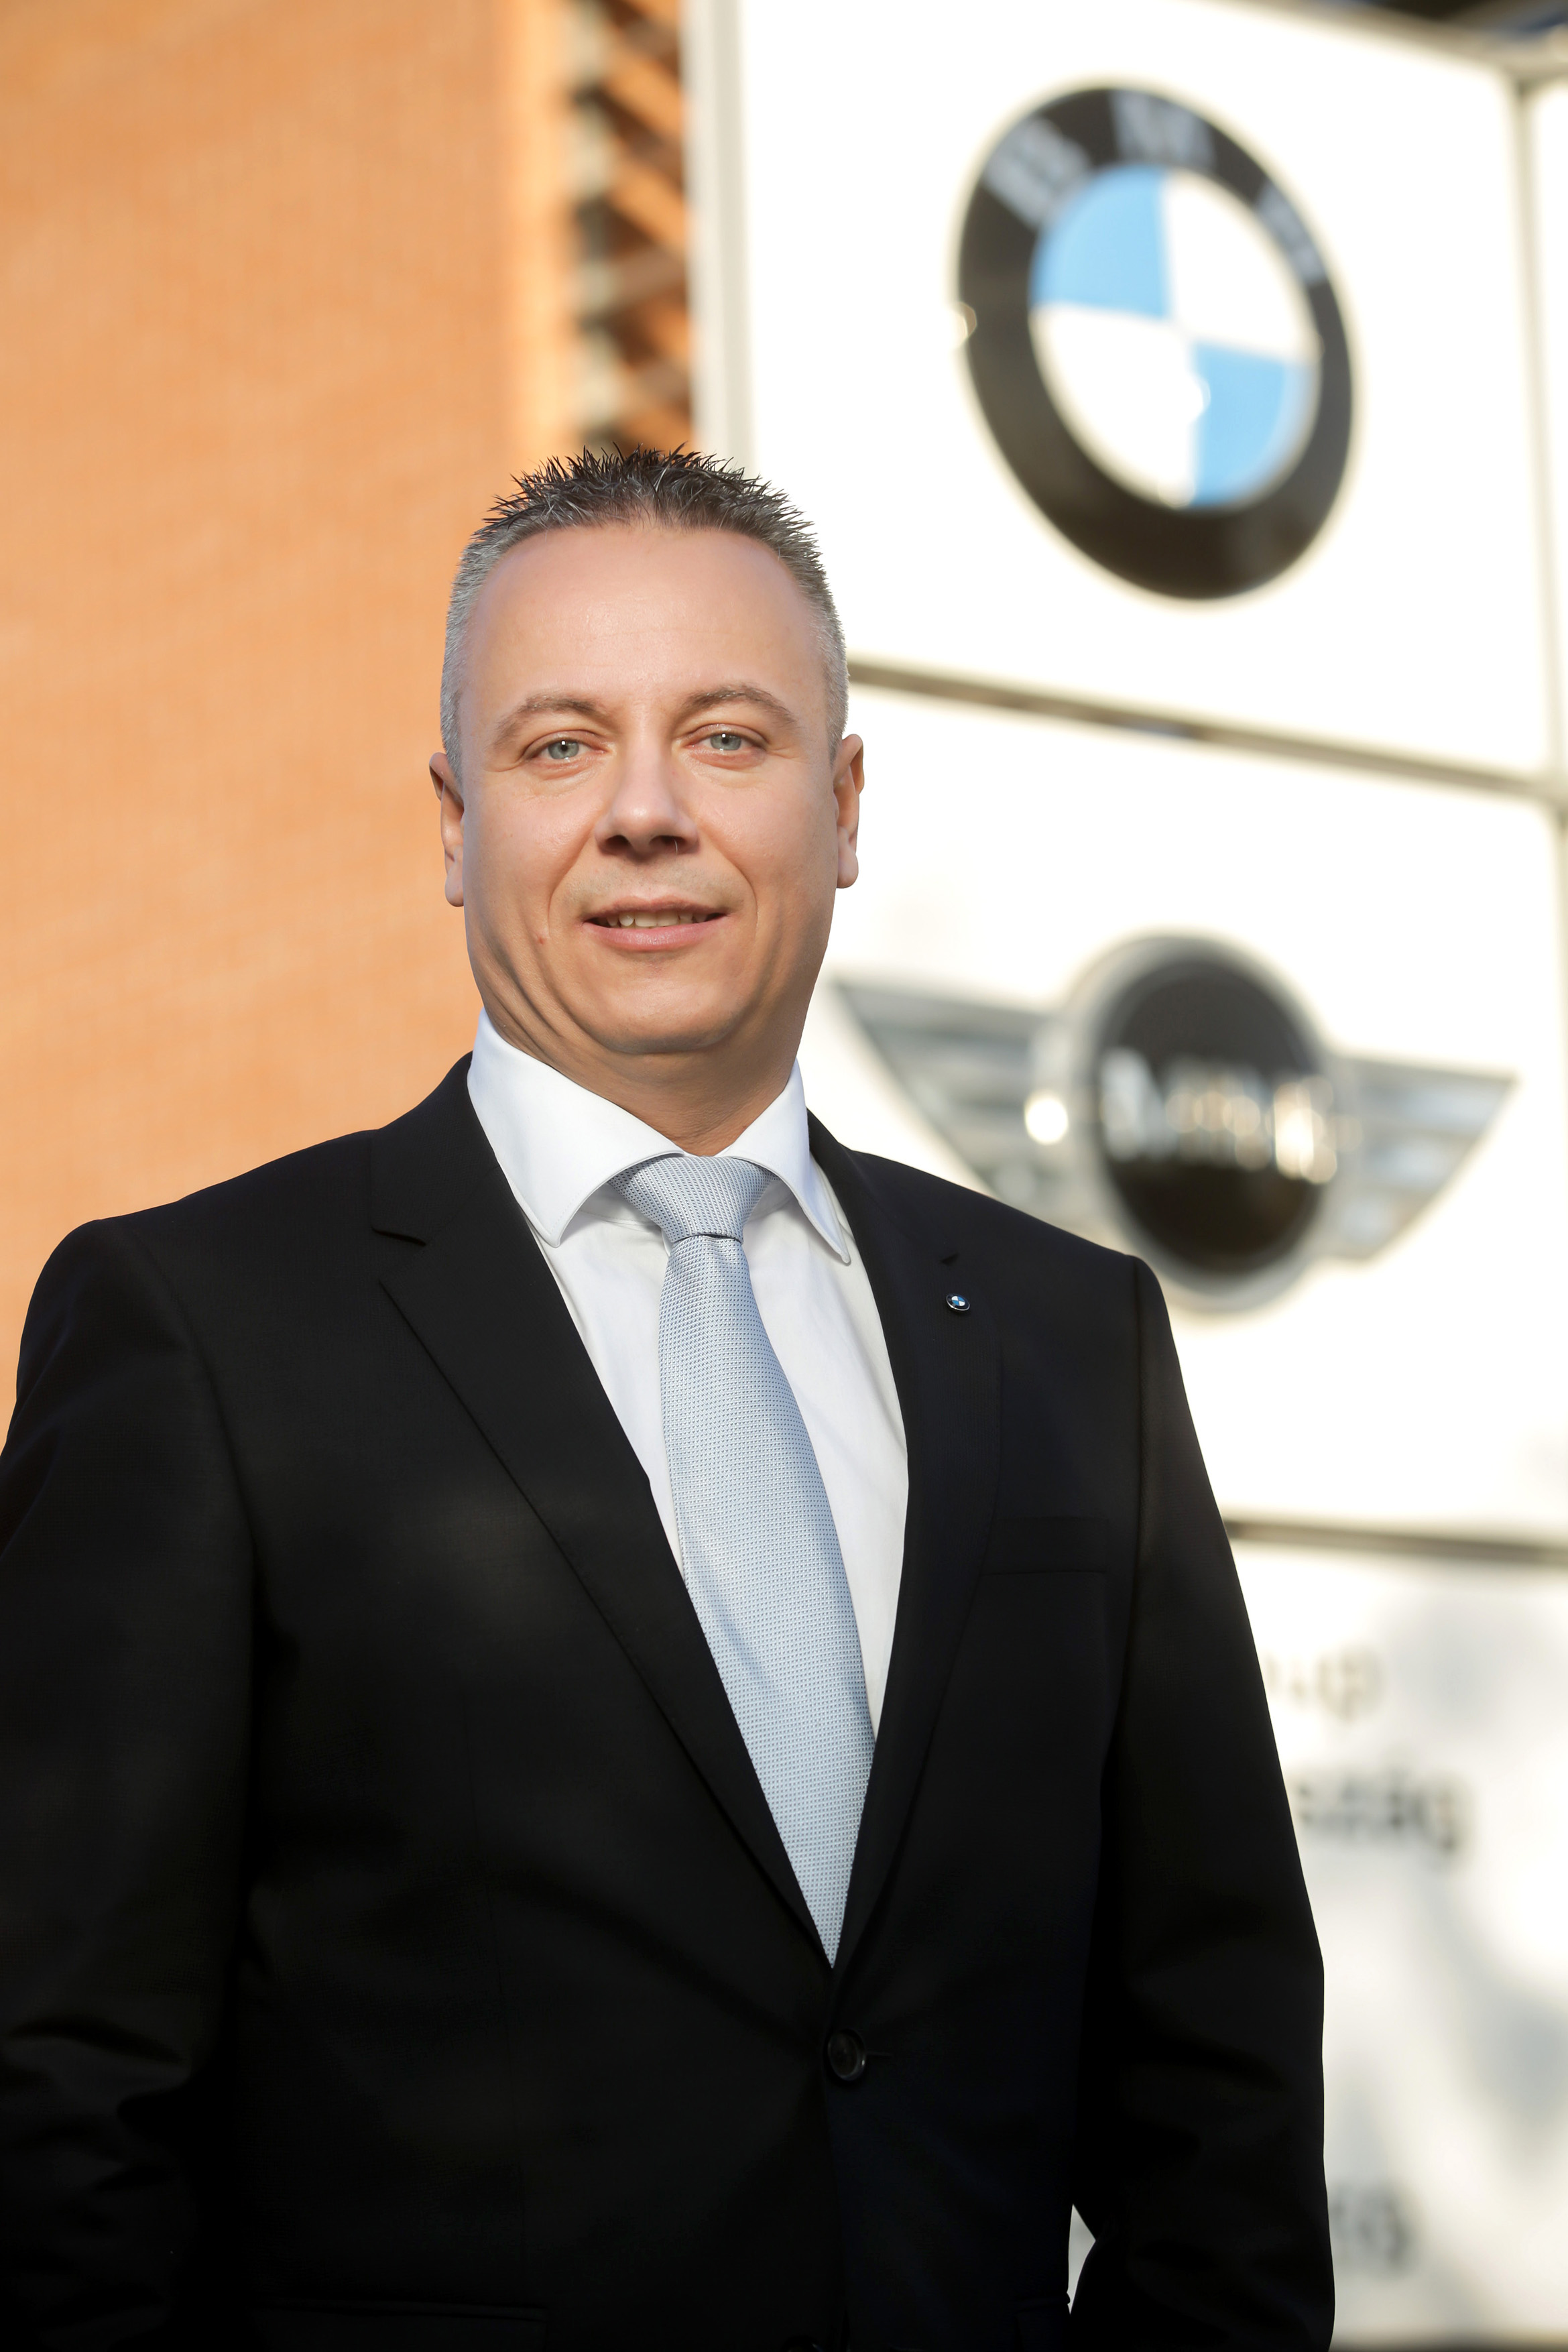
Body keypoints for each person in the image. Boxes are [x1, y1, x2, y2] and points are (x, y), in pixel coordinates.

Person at [0, 448, 1331, 2352]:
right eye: (560, 747)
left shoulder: (1069, 1341)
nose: (644, 812)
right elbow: (58, 2093)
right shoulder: (198, 1331)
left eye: (725, 737)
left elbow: (1221, 2097)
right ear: (453, 823)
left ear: (841, 805)